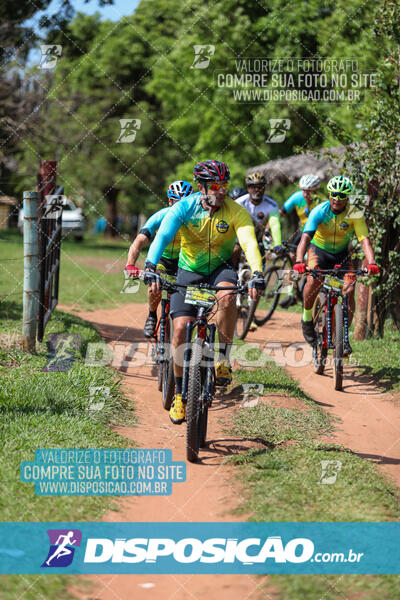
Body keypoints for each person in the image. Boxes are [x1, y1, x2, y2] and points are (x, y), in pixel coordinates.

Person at [144, 159, 265, 424]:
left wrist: (257, 273)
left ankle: (222, 358)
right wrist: (151, 266)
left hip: (220, 269)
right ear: (201, 187)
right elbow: (162, 237)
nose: (221, 190)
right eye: (215, 186)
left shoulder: (236, 211)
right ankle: (178, 393)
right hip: (188, 271)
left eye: (224, 185)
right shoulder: (184, 208)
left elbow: (248, 242)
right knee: (179, 329)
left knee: (228, 296)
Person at [294, 175, 379, 354]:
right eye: (334, 194)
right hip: (318, 252)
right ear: (329, 194)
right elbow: (304, 239)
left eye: (342, 195)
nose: (337, 199)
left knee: (348, 290)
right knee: (313, 280)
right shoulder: (319, 211)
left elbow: (364, 240)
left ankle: (344, 338)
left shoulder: (354, 213)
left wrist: (371, 262)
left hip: (341, 256)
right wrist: (299, 261)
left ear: (347, 197)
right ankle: (306, 319)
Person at [125, 180, 193, 337]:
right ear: (170, 201)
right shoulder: (160, 216)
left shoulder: (196, 219)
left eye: (186, 202)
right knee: (154, 283)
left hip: (185, 261)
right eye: (177, 202)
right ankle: (152, 314)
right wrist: (130, 264)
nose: (182, 207)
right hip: (163, 259)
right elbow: (139, 241)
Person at [278, 174, 323, 308]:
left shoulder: (321, 201)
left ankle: (309, 289)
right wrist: (269, 228)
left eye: (308, 191)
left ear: (315, 191)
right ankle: (290, 292)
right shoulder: (297, 197)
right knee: (291, 255)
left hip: (319, 235)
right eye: (303, 190)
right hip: (305, 233)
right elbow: (281, 212)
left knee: (312, 261)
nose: (305, 194)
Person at [235, 171, 283, 250]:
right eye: (253, 187)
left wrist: (277, 244)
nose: (257, 189)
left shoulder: (272, 205)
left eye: (260, 187)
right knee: (235, 250)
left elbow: (275, 225)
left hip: (258, 239)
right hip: (239, 238)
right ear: (248, 188)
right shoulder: (238, 203)